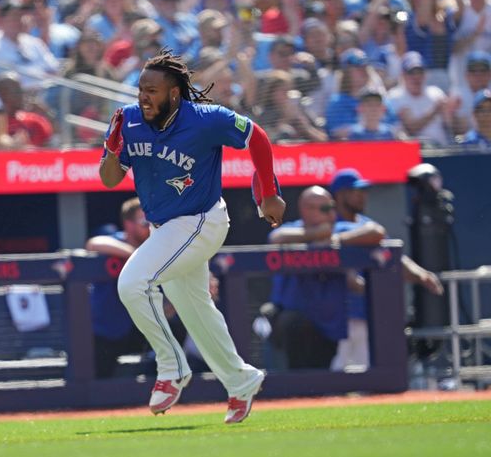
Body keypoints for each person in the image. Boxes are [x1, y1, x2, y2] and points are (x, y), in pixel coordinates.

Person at [98, 49, 286, 424]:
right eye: (140, 89)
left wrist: (268, 192)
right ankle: (240, 380)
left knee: (132, 283)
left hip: (201, 220)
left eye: (151, 90)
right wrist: (111, 149)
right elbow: (109, 179)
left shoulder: (204, 118)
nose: (143, 96)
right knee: (195, 309)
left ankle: (171, 368)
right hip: (165, 228)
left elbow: (257, 136)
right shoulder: (129, 120)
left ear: (173, 94)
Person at [328, 168, 443, 370]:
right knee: (340, 370)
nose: (363, 195)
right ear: (340, 194)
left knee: (363, 371)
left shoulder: (366, 223)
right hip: (339, 315)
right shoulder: (329, 225)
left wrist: (422, 275)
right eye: (357, 191)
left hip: (368, 312)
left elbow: (393, 255)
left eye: (364, 190)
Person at [267, 186, 385, 370]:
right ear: (306, 210)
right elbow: (276, 237)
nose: (331, 212)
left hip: (330, 323)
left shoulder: (339, 229)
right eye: (324, 208)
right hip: (295, 321)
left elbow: (376, 232)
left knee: (326, 374)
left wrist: (335, 239)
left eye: (331, 206)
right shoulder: (294, 230)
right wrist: (315, 235)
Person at [85, 198, 150, 378]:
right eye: (144, 222)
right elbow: (93, 243)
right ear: (129, 225)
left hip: (141, 329)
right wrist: (135, 255)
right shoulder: (116, 241)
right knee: (100, 380)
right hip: (107, 329)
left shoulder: (155, 248)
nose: (150, 227)